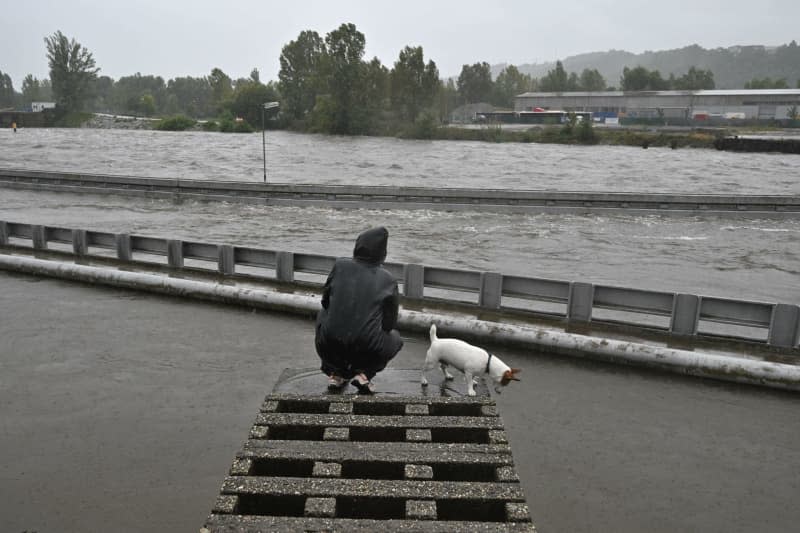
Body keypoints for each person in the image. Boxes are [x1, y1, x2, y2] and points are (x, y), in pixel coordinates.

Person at [315, 227, 403, 394]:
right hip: (367, 349)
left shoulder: (339, 265)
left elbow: (325, 302)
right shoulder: (388, 280)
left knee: (322, 315)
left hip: (328, 345)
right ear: (382, 253)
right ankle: (364, 375)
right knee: (396, 339)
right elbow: (389, 324)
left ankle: (336, 373)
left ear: (358, 246)